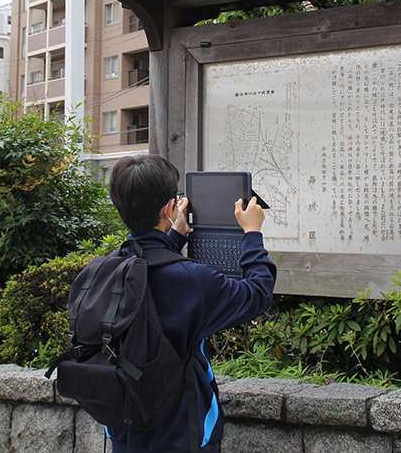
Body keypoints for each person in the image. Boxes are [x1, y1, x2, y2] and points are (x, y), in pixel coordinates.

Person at [107, 155, 276, 453]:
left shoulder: (111, 268)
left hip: (125, 428)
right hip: (183, 434)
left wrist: (173, 237)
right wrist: (251, 233)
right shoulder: (190, 281)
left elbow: (149, 266)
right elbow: (257, 295)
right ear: (169, 208)